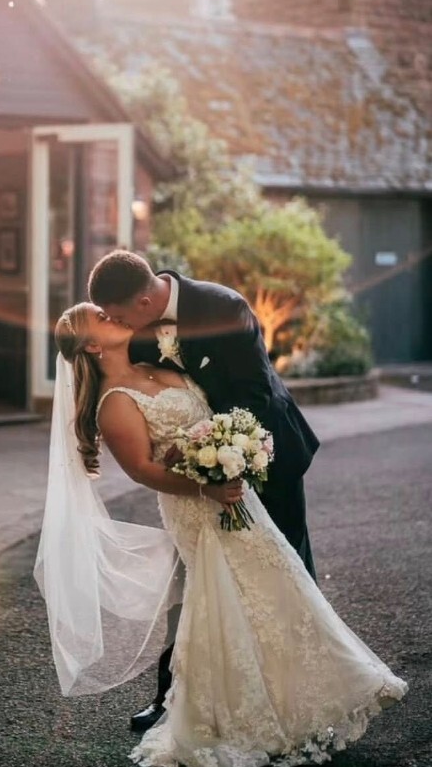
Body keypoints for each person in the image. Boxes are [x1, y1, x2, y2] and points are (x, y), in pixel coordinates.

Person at [35, 301, 406, 767]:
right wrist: (204, 486)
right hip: (197, 507)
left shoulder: (156, 363)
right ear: (92, 345)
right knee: (227, 599)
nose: (113, 316)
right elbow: (145, 470)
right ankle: (234, 719)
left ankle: (302, 699)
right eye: (102, 320)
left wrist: (231, 450)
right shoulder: (114, 403)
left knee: (275, 584)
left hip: (232, 493)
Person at [88, 250, 319, 731]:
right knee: (194, 584)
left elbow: (253, 395)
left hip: (266, 454)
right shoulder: (135, 331)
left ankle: (301, 690)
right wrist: (192, 464)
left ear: (148, 299)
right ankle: (172, 698)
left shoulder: (224, 307)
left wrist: (207, 449)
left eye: (121, 315)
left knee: (284, 569)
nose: (117, 323)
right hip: (196, 483)